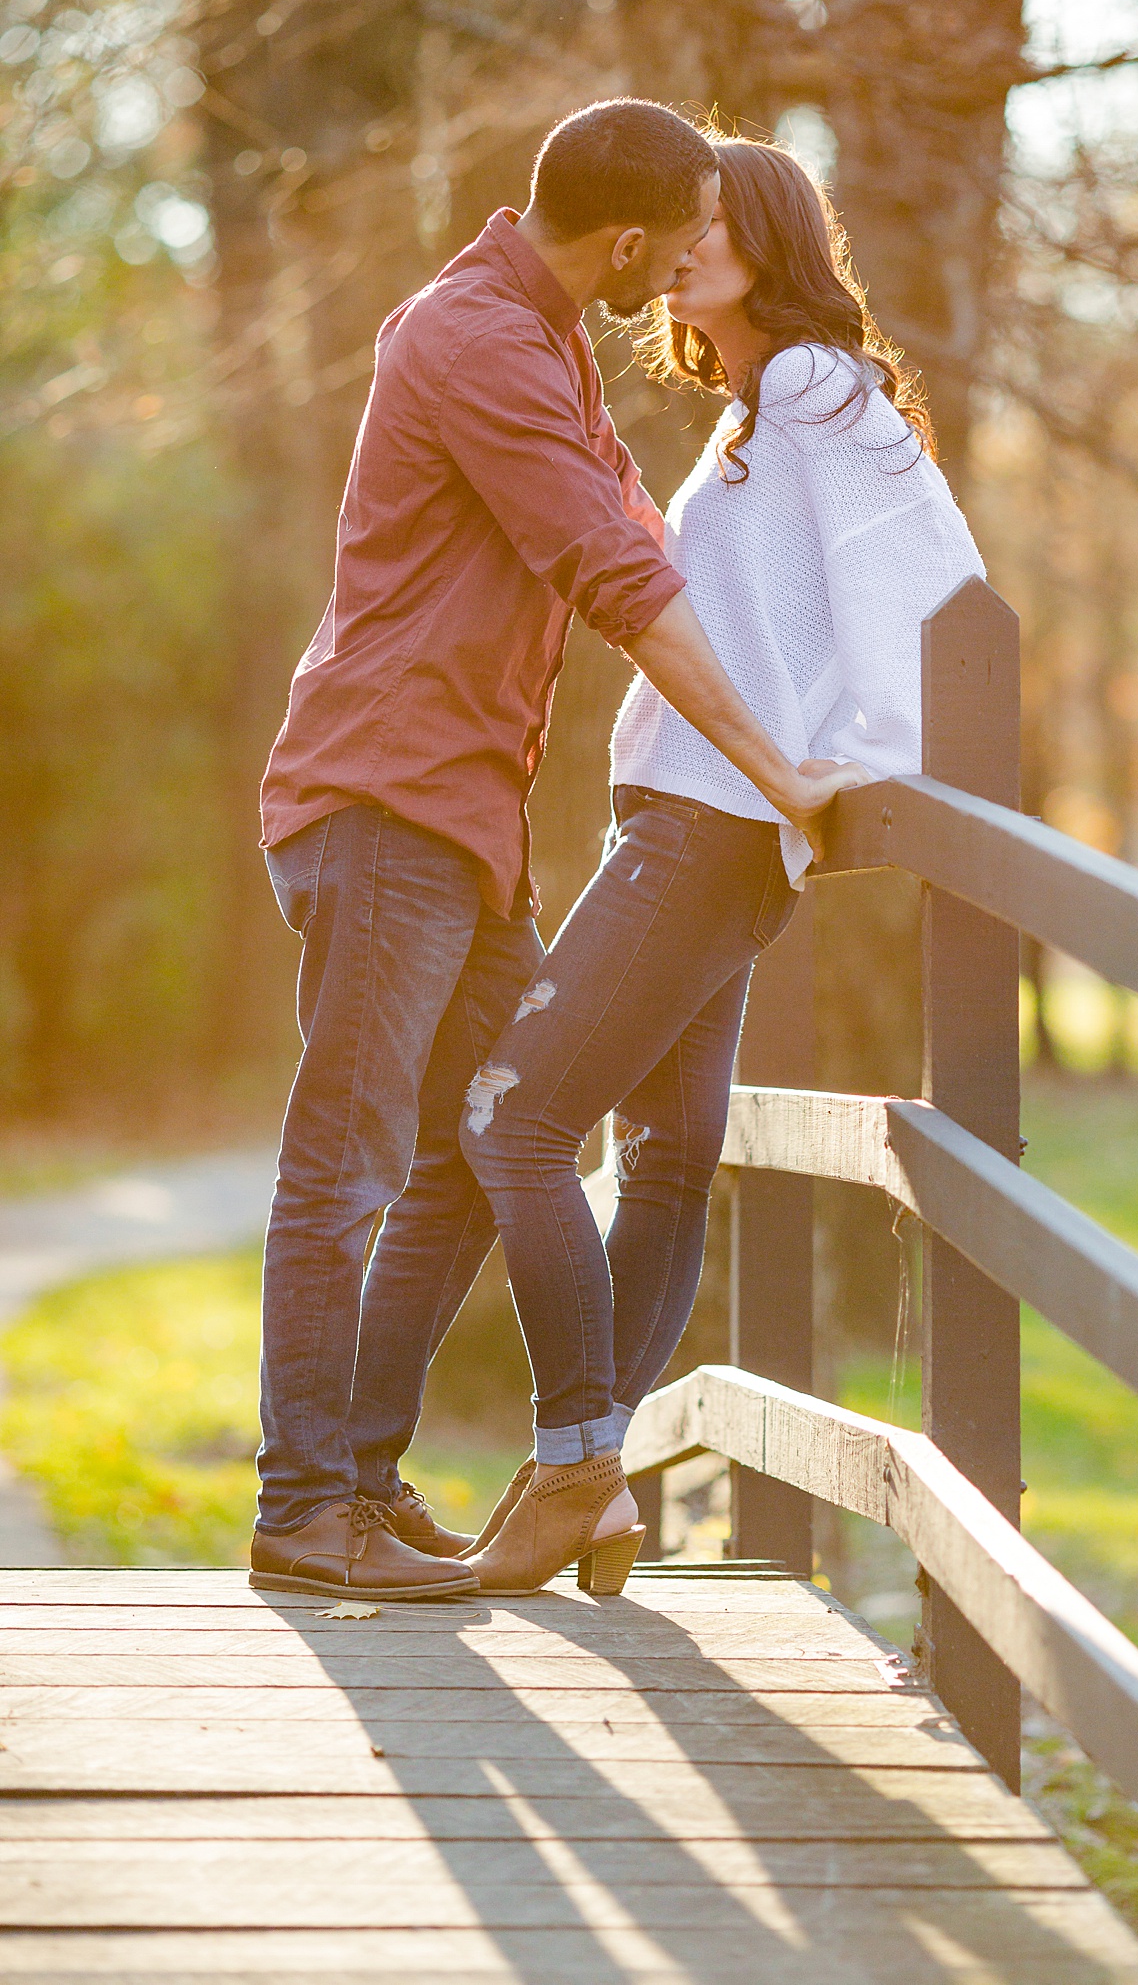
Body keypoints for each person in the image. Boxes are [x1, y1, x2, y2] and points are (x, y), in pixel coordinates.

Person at [250, 100, 855, 1601]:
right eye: (691, 228)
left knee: (482, 1135)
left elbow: (649, 535)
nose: (696, 256)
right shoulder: (473, 340)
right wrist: (777, 765)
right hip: (387, 798)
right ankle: (305, 1504)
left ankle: (364, 1482)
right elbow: (617, 572)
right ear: (633, 239)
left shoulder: (550, 341)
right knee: (352, 1157)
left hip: (462, 819)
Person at [456, 134, 986, 1597]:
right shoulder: (761, 409)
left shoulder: (820, 392)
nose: (679, 244)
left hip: (709, 831)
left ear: (769, 237)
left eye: (709, 221)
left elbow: (929, 575)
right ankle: (593, 1464)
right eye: (674, 224)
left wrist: (863, 760)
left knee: (511, 1121)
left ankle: (573, 1467)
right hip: (694, 823)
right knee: (669, 1162)